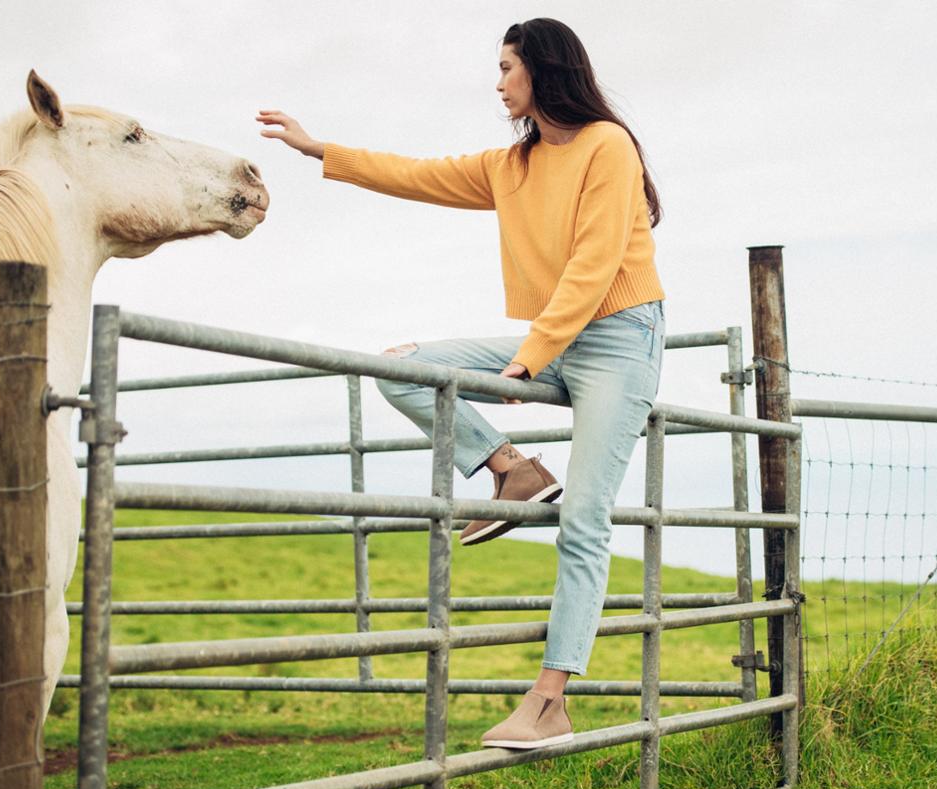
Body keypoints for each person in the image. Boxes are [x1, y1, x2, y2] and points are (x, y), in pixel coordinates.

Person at [257, 17, 665, 751]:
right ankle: (511, 469)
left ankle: (548, 701)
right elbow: (416, 174)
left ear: (542, 71)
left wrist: (531, 355)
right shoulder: (511, 165)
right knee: (406, 368)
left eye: (507, 67)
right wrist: (318, 147)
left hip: (617, 340)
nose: (498, 80)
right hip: (555, 336)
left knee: (584, 522)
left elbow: (597, 260)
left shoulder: (607, 145)